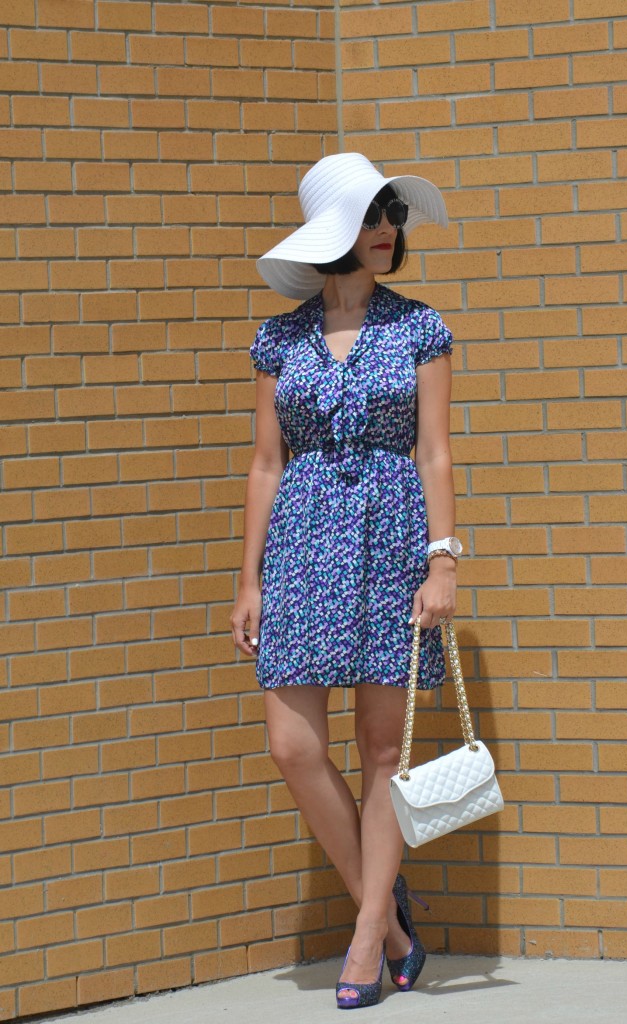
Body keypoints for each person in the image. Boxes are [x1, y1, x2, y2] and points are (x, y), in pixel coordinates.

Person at [230, 152, 461, 1010]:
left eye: (392, 217)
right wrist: (247, 578)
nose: (389, 232)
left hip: (392, 535)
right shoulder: (279, 339)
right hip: (299, 540)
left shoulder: (420, 329)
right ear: (336, 231)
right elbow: (263, 462)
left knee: (380, 751)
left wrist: (442, 559)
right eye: (373, 217)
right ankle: (391, 922)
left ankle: (366, 939)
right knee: (292, 747)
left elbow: (433, 451)